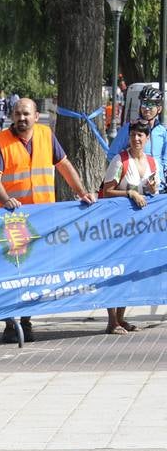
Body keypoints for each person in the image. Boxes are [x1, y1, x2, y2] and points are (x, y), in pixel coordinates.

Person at [0, 97, 96, 343]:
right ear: (12, 116)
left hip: (43, 219)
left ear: (36, 116)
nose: (21, 118)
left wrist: (81, 192)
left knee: (35, 273)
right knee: (15, 272)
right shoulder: (1, 140)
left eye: (26, 114)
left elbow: (64, 165)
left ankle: (26, 320)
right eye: (17, 114)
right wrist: (5, 200)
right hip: (14, 220)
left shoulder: (46, 135)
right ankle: (11, 323)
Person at [99, 119, 157, 335]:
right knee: (115, 270)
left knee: (130, 272)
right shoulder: (120, 160)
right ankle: (111, 320)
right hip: (117, 226)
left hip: (139, 229)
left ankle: (121, 318)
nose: (136, 139)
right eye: (133, 135)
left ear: (147, 138)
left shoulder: (152, 163)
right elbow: (107, 191)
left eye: (140, 135)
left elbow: (154, 193)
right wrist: (130, 193)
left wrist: (151, 189)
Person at [105, 85, 167, 185]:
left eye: (151, 104)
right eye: (144, 103)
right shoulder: (129, 128)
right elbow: (112, 155)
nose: (147, 108)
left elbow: (165, 158)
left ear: (159, 109)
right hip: (136, 186)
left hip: (159, 187)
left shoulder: (162, 131)